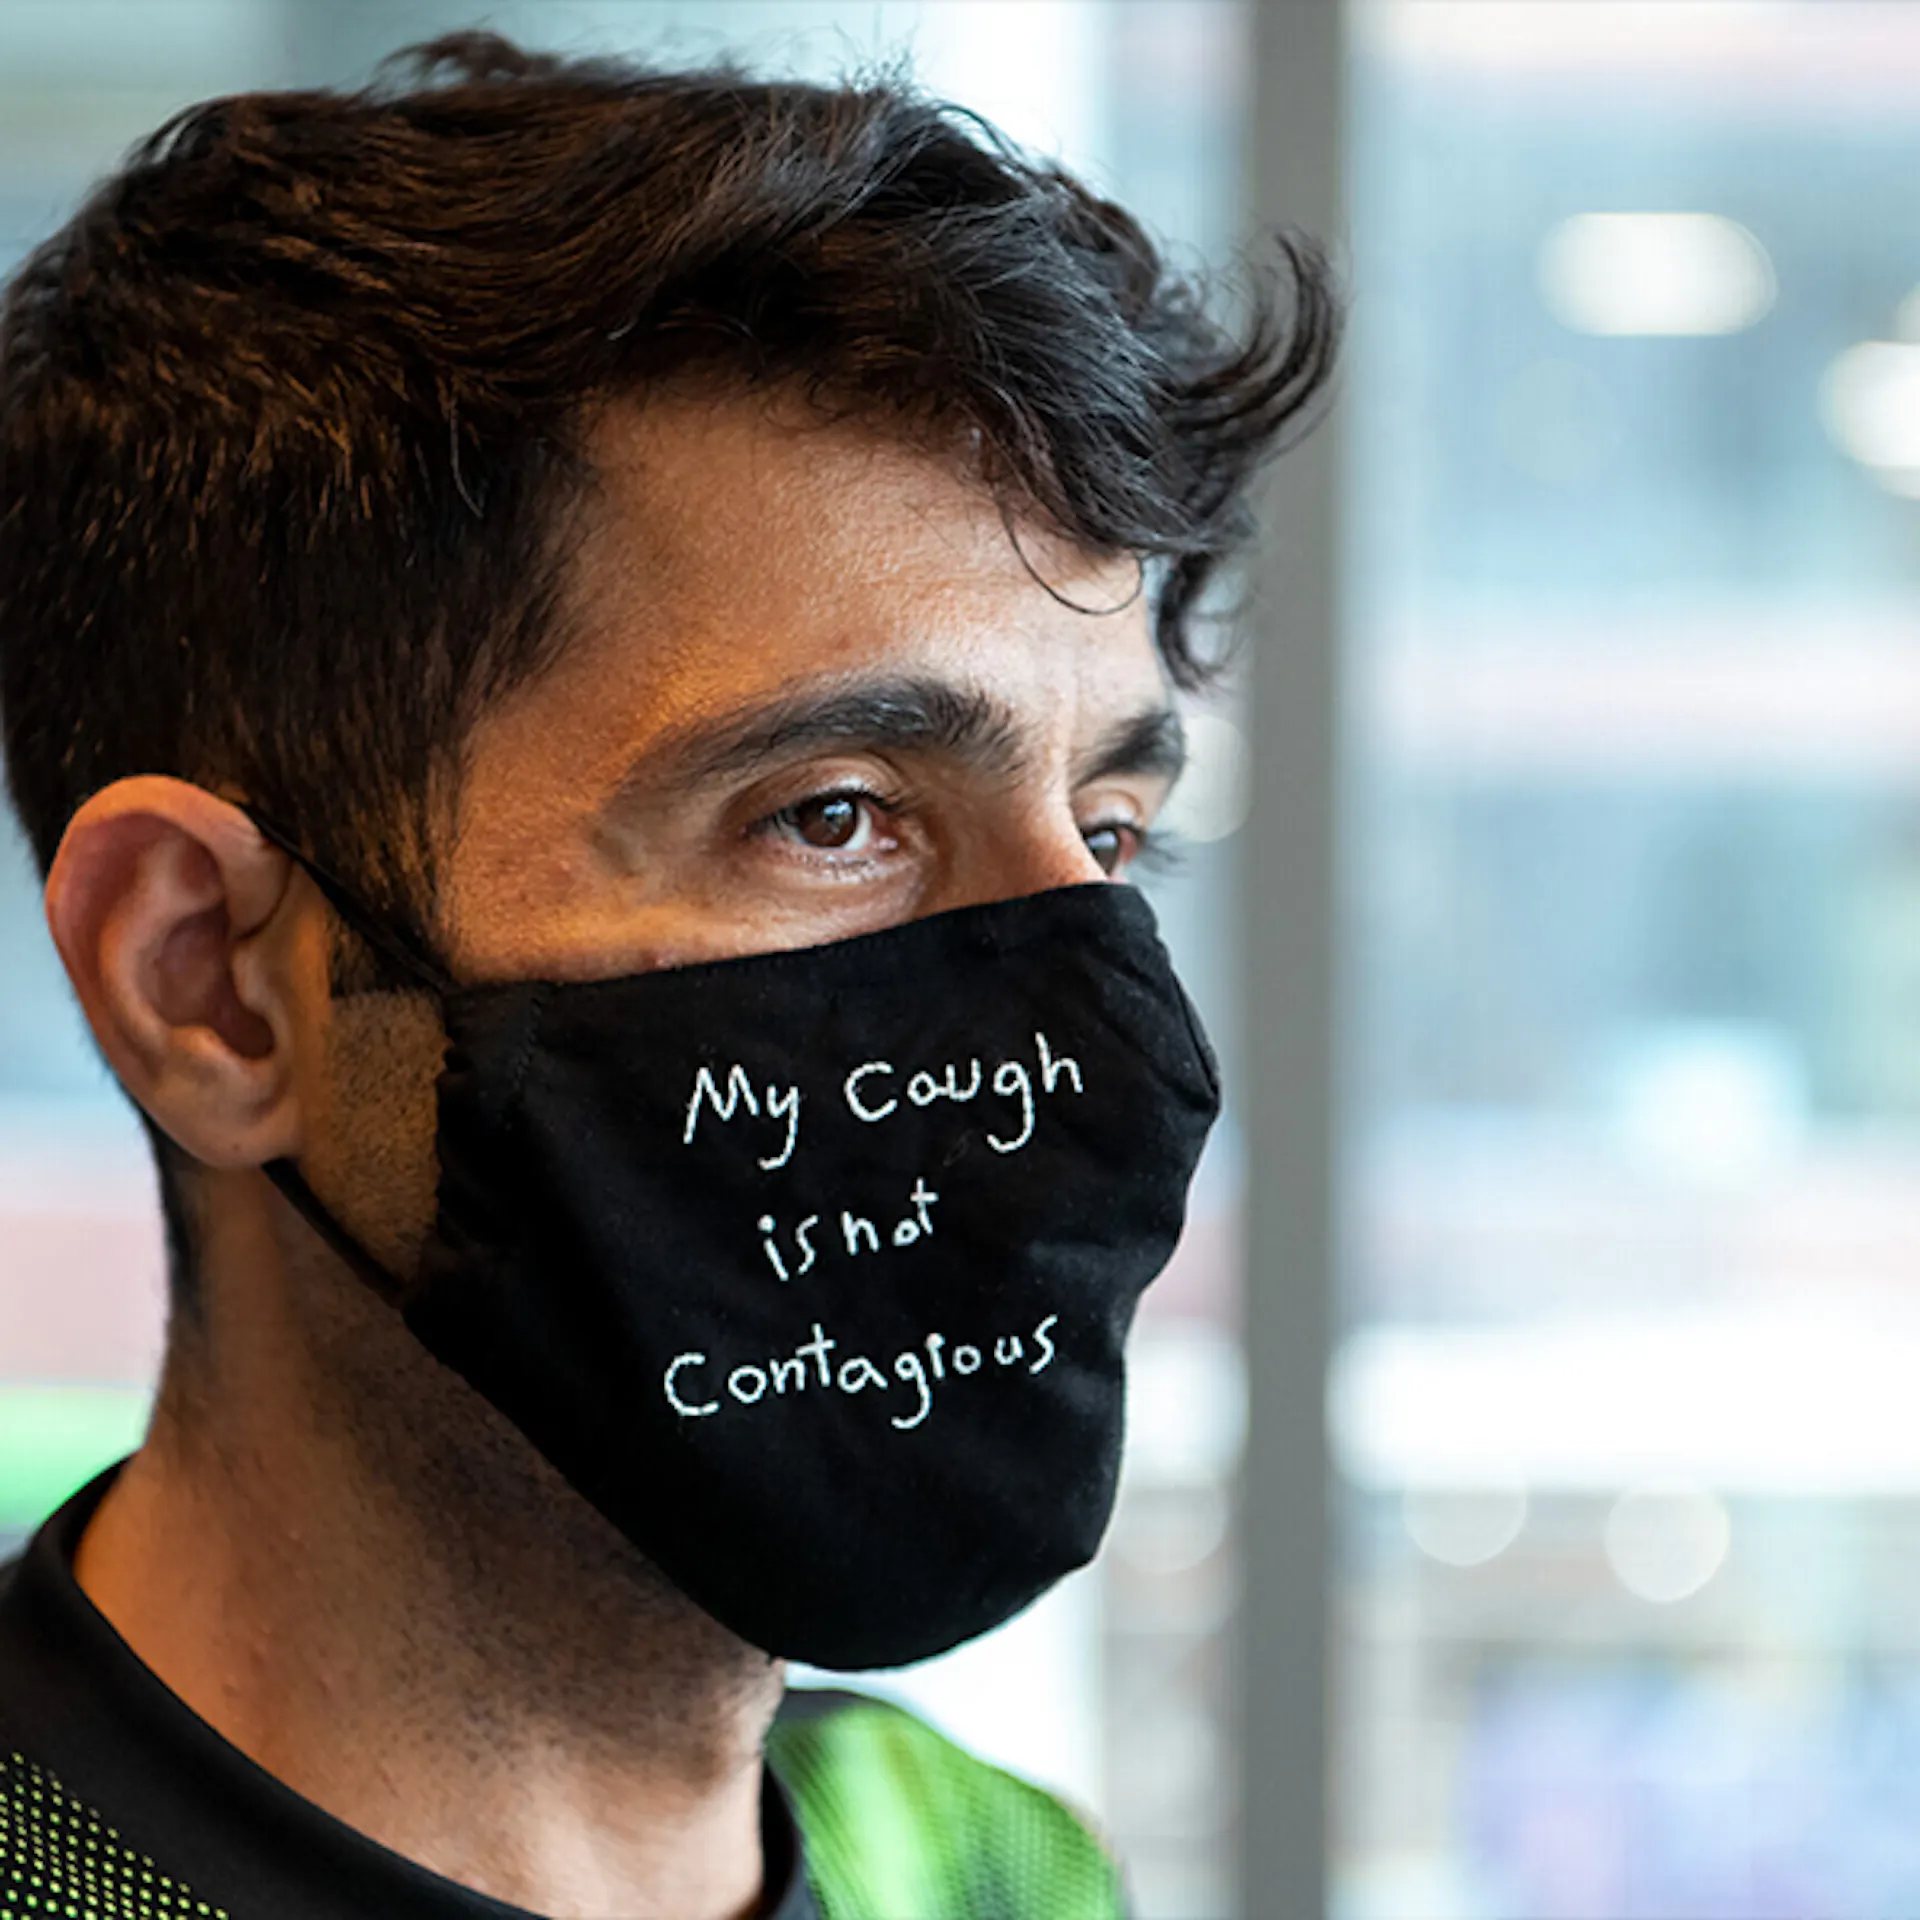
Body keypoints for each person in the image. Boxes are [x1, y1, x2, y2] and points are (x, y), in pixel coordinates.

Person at [0, 31, 1336, 1920]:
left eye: (1107, 834)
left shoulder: (984, 1865)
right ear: (212, 980)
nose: (1093, 1027)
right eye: (836, 816)